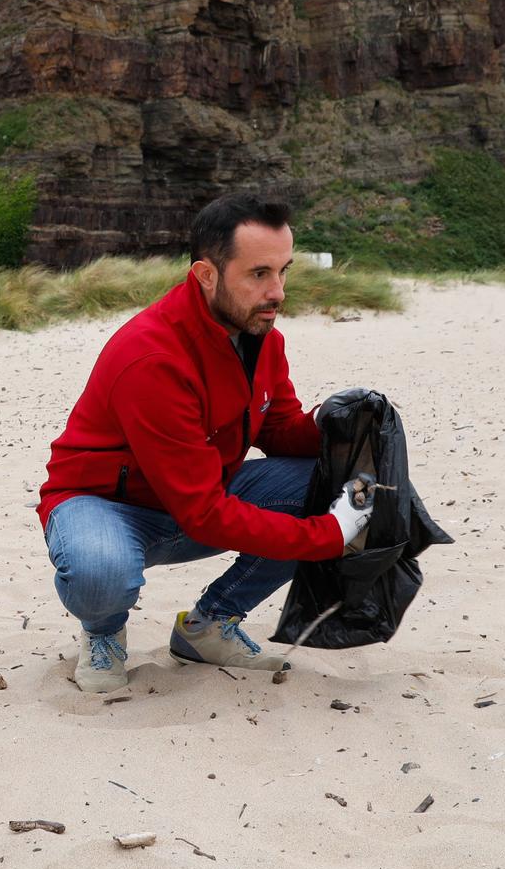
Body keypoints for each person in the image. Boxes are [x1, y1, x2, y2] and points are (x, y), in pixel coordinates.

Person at [36, 194, 371, 692]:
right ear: (206, 275)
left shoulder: (261, 336)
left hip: (197, 495)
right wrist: (329, 534)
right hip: (105, 505)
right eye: (259, 274)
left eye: (284, 271)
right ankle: (103, 632)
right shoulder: (153, 357)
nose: (277, 292)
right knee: (102, 573)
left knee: (331, 482)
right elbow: (204, 513)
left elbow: (277, 430)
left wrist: (333, 424)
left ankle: (208, 627)